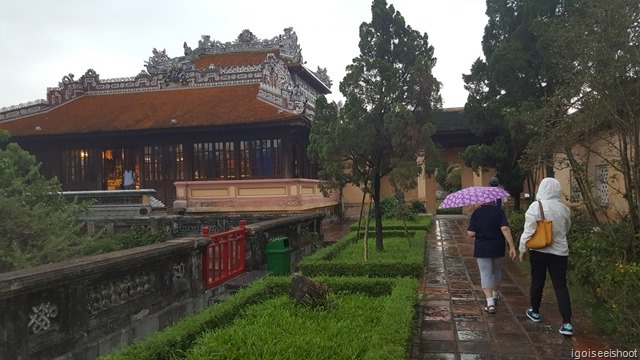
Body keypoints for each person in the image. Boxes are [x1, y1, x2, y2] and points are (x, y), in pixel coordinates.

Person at [518, 177, 573, 336]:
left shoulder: (535, 207)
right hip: (560, 252)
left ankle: (535, 312)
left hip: (538, 251)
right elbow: (566, 228)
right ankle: (567, 323)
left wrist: (522, 249)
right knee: (560, 286)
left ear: (541, 189)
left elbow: (528, 231)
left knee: (537, 282)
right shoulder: (564, 208)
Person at [467, 200, 517, 314]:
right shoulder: (499, 212)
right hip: (497, 247)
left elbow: (471, 233)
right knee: (496, 272)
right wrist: (512, 246)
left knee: (485, 274)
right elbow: (505, 228)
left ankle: (490, 304)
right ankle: (495, 296)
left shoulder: (477, 213)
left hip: (482, 248)